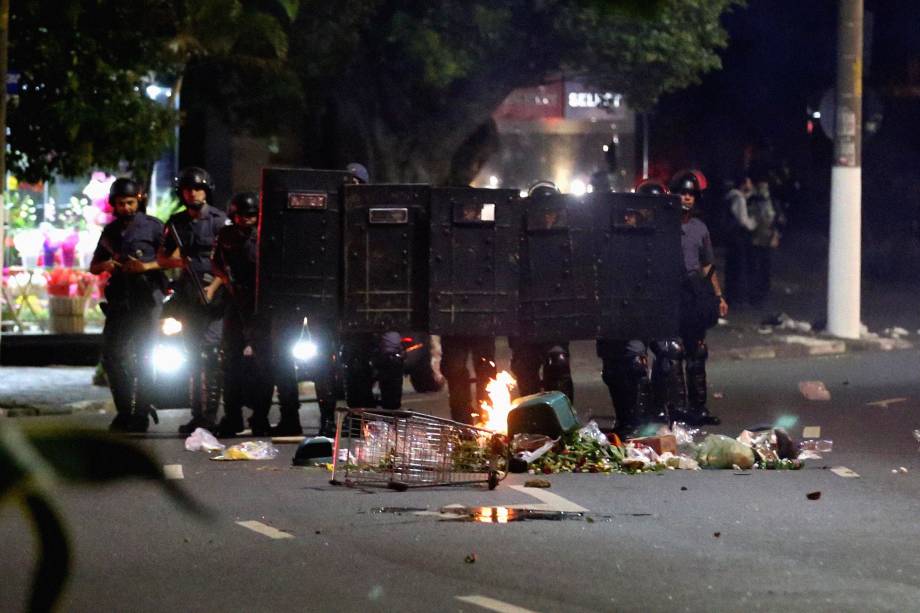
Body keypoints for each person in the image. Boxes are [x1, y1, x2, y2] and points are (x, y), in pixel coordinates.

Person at [651, 170, 728, 426]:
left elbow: (707, 266)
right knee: (673, 351)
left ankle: (698, 408)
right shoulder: (662, 226)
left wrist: (718, 296)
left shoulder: (699, 229)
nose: (687, 198)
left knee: (698, 351)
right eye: (683, 193)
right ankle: (676, 407)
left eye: (691, 194)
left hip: (694, 293)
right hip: (669, 293)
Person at [157, 166, 229, 434]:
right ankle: (197, 415)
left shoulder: (220, 221)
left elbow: (228, 263)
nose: (193, 193)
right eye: (188, 189)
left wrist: (213, 288)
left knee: (211, 355)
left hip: (214, 297)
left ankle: (210, 416)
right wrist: (179, 260)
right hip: (188, 297)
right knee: (191, 358)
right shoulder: (176, 223)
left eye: (198, 188)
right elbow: (162, 258)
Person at [90, 178, 166, 433]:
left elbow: (172, 260)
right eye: (121, 203)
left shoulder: (154, 228)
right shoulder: (110, 233)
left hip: (146, 300)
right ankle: (125, 410)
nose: (126, 207)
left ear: (139, 201)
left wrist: (145, 266)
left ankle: (141, 412)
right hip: (120, 301)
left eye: (130, 202)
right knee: (112, 356)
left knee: (146, 358)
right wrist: (109, 265)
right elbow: (95, 265)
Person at [595, 178, 667, 438]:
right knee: (613, 369)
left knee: (639, 363)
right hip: (614, 307)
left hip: (643, 309)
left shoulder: (662, 237)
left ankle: (645, 419)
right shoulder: (618, 234)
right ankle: (626, 419)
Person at [339, 162, 407, 413]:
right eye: (348, 183)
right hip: (352, 302)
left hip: (382, 301)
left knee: (391, 354)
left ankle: (391, 412)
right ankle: (360, 413)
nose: (351, 188)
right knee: (354, 359)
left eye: (356, 183)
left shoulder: (380, 214)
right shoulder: (336, 218)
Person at [211, 191, 273, 436]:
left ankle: (260, 418)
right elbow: (216, 263)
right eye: (241, 215)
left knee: (264, 363)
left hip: (259, 304)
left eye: (250, 215)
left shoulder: (266, 233)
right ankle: (233, 417)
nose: (246, 220)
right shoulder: (226, 235)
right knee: (230, 362)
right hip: (235, 301)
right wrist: (226, 279)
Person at [509, 180, 574, 404]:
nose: (546, 216)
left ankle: (564, 418)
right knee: (524, 367)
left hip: (555, 314)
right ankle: (532, 418)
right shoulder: (517, 237)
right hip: (525, 316)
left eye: (550, 211)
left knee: (558, 362)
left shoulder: (568, 238)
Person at [723, 175, 756, 306]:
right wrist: (753, 224)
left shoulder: (730, 197)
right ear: (743, 184)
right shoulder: (739, 199)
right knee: (739, 267)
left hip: (731, 237)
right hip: (738, 237)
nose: (751, 185)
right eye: (749, 182)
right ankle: (736, 298)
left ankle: (731, 295)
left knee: (731, 267)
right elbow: (743, 220)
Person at [747, 178, 778, 307]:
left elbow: (775, 219)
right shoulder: (753, 202)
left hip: (767, 239)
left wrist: (775, 235)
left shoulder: (771, 203)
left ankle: (762, 295)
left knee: (764, 269)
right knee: (756, 269)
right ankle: (756, 297)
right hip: (757, 240)